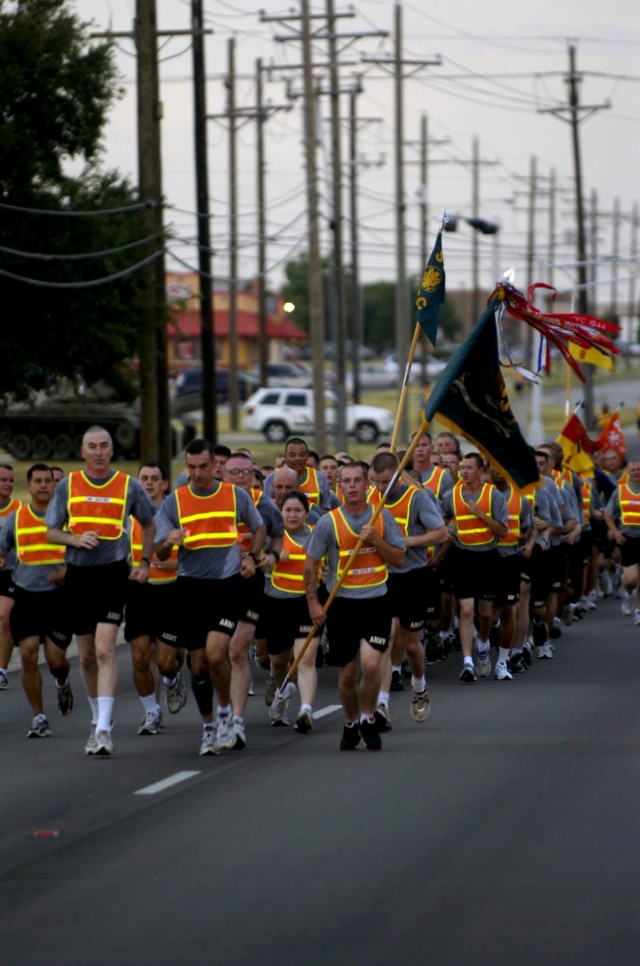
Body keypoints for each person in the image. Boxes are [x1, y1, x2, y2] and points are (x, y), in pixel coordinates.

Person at [45, 426, 157, 756]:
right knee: (88, 654)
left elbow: (149, 523)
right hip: (78, 575)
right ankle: (96, 721)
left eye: (103, 446)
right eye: (91, 446)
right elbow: (51, 531)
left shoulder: (128, 485)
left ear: (112, 450)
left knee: (106, 648)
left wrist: (146, 561)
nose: (97, 452)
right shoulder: (68, 486)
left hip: (112, 574)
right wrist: (74, 539)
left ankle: (106, 729)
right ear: (82, 451)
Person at [154, 438, 266, 756]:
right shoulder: (174, 502)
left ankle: (226, 714)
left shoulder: (233, 494)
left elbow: (258, 528)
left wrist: (252, 556)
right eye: (191, 467)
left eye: (203, 466)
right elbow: (159, 550)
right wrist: (169, 542)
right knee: (200, 664)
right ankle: (208, 728)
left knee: (218, 654)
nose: (198, 473)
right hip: (190, 589)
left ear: (214, 465)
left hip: (226, 585)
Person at [304, 462, 405, 750]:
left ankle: (368, 716)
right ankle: (351, 721)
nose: (351, 486)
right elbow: (310, 563)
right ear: (340, 487)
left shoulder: (381, 517)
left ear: (367, 484)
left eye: (356, 481)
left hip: (376, 602)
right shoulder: (329, 522)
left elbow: (398, 559)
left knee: (371, 666)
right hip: (342, 604)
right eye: (345, 481)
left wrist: (375, 541)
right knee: (348, 673)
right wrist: (313, 602)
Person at [369, 452, 447, 726]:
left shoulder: (416, 498)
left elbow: (441, 532)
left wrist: (410, 540)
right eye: (376, 482)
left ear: (398, 476)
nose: (380, 488)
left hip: (413, 576)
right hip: (381, 578)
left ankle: (419, 685)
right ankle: (382, 706)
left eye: (385, 481)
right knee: (385, 640)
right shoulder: (371, 500)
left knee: (412, 644)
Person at [0, 464, 73, 737]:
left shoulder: (67, 520)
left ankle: (63, 682)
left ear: (54, 486)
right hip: (26, 597)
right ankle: (39, 717)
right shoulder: (15, 519)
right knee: (29, 656)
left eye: (47, 481)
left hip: (57, 600)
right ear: (29, 486)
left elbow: (86, 553)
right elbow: (1, 548)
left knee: (55, 661)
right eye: (37, 481)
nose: (43, 485)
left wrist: (69, 571)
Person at [223, 451, 283, 750]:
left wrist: (270, 555)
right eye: (233, 473)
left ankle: (236, 721)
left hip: (250, 581)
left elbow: (278, 535)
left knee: (237, 649)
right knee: (213, 654)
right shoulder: (214, 501)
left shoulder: (263, 503)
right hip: (215, 583)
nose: (240, 477)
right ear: (224, 475)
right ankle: (222, 713)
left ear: (253, 475)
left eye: (245, 472)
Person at [125, 462, 184, 736]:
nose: (148, 483)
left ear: (165, 485)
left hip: (171, 591)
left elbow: (187, 562)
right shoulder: (129, 516)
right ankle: (151, 712)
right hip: (140, 591)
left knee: (163, 662)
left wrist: (157, 565)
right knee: (139, 657)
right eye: (143, 479)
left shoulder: (176, 515)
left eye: (154, 479)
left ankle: (172, 680)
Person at [440, 453, 508, 682]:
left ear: (480, 471)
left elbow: (502, 531)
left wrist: (482, 515)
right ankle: (467, 663)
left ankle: (483, 643)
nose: (464, 471)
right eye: (462, 468)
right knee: (467, 610)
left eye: (469, 468)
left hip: (488, 558)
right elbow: (442, 516)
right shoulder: (452, 495)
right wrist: (446, 528)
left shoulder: (493, 495)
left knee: (486, 613)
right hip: (463, 557)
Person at [263, 490, 319, 732]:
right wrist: (272, 558)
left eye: (298, 510)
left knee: (305, 658)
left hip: (306, 604)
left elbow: (329, 564)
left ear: (307, 513)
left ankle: (306, 710)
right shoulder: (273, 537)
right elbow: (256, 562)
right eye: (288, 510)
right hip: (275, 604)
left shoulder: (317, 535)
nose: (293, 515)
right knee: (277, 661)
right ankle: (282, 692)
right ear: (280, 512)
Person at [603, 458, 640, 623]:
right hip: (628, 539)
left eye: (639, 469)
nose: (637, 472)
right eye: (633, 470)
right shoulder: (620, 490)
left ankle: (638, 610)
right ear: (628, 472)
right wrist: (615, 531)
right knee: (631, 579)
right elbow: (608, 514)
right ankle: (629, 594)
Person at [264, 437, 333, 512]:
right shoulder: (273, 477)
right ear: (285, 457)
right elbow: (267, 508)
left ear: (307, 457)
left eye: (302, 455)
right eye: (292, 455)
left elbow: (326, 509)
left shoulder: (319, 478)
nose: (297, 459)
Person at [0, 463, 20, 690]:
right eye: (3, 480)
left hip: (12, 574)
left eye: (11, 480)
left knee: (5, 619)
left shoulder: (18, 510)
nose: (8, 484)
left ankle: (2, 670)